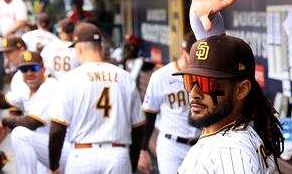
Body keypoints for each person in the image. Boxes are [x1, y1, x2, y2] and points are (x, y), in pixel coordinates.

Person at [173, 0, 284, 173]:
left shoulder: (231, 152)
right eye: (191, 80)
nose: (194, 93)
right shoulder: (232, 126)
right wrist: (199, 18)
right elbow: (218, 56)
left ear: (242, 90)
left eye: (208, 84)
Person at [48, 23, 145, 174]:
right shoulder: (125, 78)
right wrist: (131, 165)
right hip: (118, 155)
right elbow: (138, 127)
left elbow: (56, 131)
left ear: (79, 48)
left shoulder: (70, 79)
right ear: (100, 47)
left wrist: (53, 166)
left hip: (83, 156)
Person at [137, 32, 201, 174]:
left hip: (199, 144)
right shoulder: (162, 76)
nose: (195, 61)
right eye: (192, 56)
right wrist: (143, 149)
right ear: (182, 51)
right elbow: (149, 114)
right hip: (171, 145)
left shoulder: (204, 75)